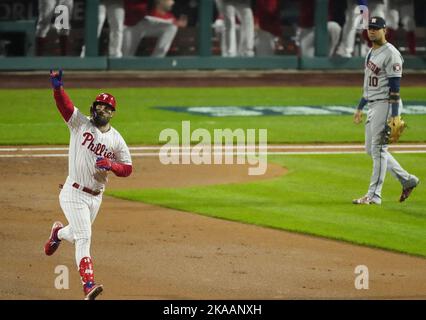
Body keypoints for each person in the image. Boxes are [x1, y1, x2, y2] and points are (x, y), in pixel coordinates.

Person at [44, 70, 133, 300]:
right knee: (84, 238)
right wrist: (57, 88)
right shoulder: (79, 124)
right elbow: (65, 106)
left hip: (95, 198)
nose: (100, 109)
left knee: (76, 233)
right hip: (72, 192)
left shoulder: (116, 140)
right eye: (98, 105)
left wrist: (112, 165)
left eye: (106, 107)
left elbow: (128, 168)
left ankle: (58, 233)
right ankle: (88, 284)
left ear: (112, 113)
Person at [352, 17, 419, 205]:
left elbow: (395, 88)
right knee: (370, 149)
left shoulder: (392, 54)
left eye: (376, 28)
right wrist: (359, 107)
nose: (372, 31)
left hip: (387, 105)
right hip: (373, 105)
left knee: (379, 149)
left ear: (385, 31)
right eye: (370, 28)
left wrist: (396, 115)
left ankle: (374, 195)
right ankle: (407, 180)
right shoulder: (370, 53)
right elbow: (369, 86)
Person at [122, 0, 187, 57]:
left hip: (167, 51)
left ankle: (156, 60)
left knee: (172, 27)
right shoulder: (147, 10)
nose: (173, 2)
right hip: (130, 26)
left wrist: (175, 22)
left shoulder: (170, 17)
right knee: (126, 57)